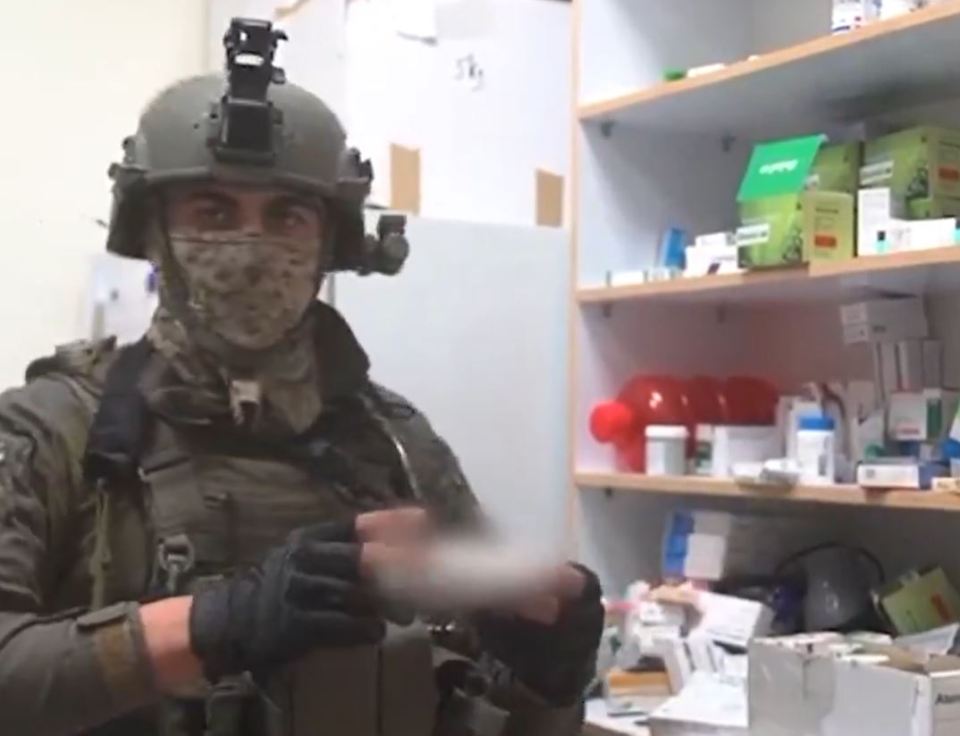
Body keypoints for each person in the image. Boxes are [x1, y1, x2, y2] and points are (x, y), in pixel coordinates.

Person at [0, 17, 603, 736]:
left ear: (332, 243)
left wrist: (550, 673)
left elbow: (484, 703)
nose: (250, 246)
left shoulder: (399, 446)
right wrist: (220, 622)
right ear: (153, 231)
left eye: (287, 216)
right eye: (213, 211)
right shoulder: (55, 432)